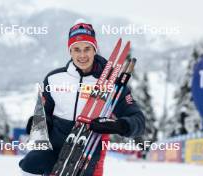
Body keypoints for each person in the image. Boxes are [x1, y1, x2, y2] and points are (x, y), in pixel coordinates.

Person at [19, 22, 145, 176]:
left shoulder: (112, 84)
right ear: (70, 51)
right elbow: (44, 117)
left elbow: (138, 120)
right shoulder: (54, 79)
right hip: (55, 150)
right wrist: (38, 124)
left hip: (88, 153)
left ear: (94, 49)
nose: (82, 55)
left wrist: (119, 125)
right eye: (76, 49)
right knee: (30, 164)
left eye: (87, 49)